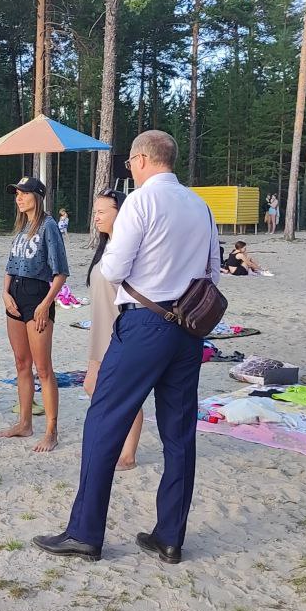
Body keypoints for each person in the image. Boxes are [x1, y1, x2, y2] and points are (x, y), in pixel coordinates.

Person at [33, 130, 220, 565]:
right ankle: (169, 537)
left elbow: (113, 268)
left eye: (130, 163)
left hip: (144, 322)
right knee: (179, 435)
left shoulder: (140, 201)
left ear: (140, 160)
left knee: (103, 420)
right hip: (188, 327)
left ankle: (84, 532)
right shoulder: (200, 205)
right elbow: (213, 270)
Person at [0, 176, 69, 453]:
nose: (18, 198)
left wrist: (45, 304)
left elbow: (61, 272)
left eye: (24, 193)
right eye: (16, 193)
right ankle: (24, 423)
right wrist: (5, 294)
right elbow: (10, 266)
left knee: (43, 368)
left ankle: (51, 430)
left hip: (37, 295)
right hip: (14, 296)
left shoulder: (48, 226)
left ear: (37, 197)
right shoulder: (21, 226)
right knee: (21, 363)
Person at [86, 189, 143, 471]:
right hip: (100, 328)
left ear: (120, 213)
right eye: (94, 212)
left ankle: (128, 453)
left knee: (124, 392)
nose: (96, 217)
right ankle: (115, 438)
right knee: (91, 385)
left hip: (120, 328)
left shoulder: (128, 248)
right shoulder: (107, 246)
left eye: (101, 212)